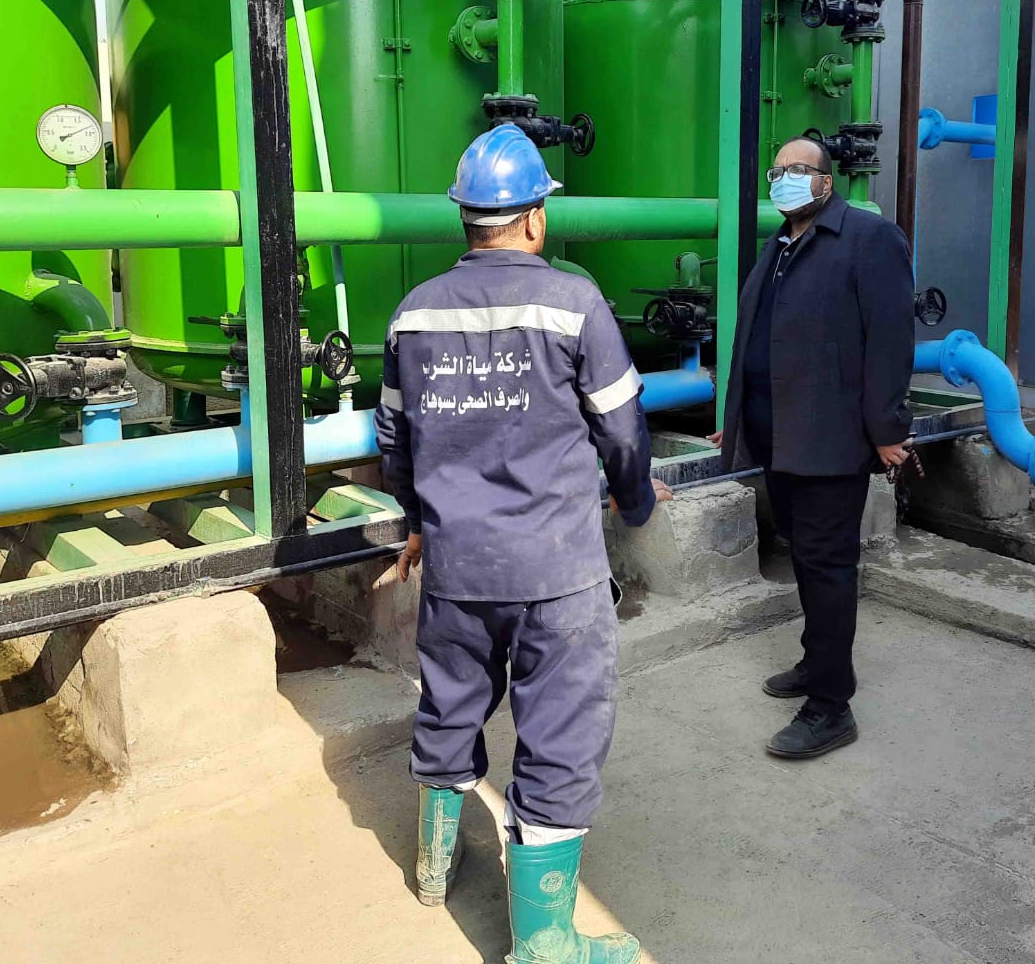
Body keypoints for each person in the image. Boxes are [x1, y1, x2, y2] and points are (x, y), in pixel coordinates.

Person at [375, 123, 670, 964]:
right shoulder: (575, 303)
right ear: (535, 217)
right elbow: (622, 432)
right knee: (559, 737)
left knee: (450, 703)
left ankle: (434, 870)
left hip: (457, 567)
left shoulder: (413, 312)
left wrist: (418, 523)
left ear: (465, 218)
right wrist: (635, 502)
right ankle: (544, 945)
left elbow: (395, 439)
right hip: (556, 572)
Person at [713, 136, 915, 760]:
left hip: (831, 439)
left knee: (828, 566)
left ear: (828, 181)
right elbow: (757, 339)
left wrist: (888, 428)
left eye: (799, 170)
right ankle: (816, 661)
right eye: (777, 171)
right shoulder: (779, 245)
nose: (785, 179)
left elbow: (890, 339)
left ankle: (831, 706)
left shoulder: (869, 238)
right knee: (802, 554)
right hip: (780, 437)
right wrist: (737, 420)